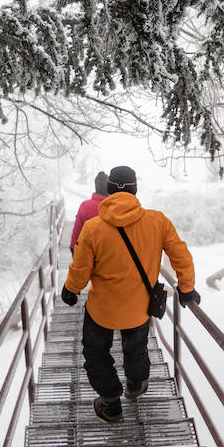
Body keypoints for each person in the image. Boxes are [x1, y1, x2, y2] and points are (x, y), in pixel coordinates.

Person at [60, 165, 201, 424]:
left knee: (96, 353)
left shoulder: (92, 228)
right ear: (135, 190)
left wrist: (71, 290)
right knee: (136, 349)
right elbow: (180, 255)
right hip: (139, 307)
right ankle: (136, 385)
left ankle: (111, 403)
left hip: (102, 310)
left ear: (110, 190)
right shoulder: (157, 221)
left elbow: (80, 270)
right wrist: (187, 288)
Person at [69, 171, 109, 252]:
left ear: (96, 186)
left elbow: (77, 233)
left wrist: (73, 249)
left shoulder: (85, 206)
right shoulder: (113, 207)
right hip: (108, 257)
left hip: (86, 255)